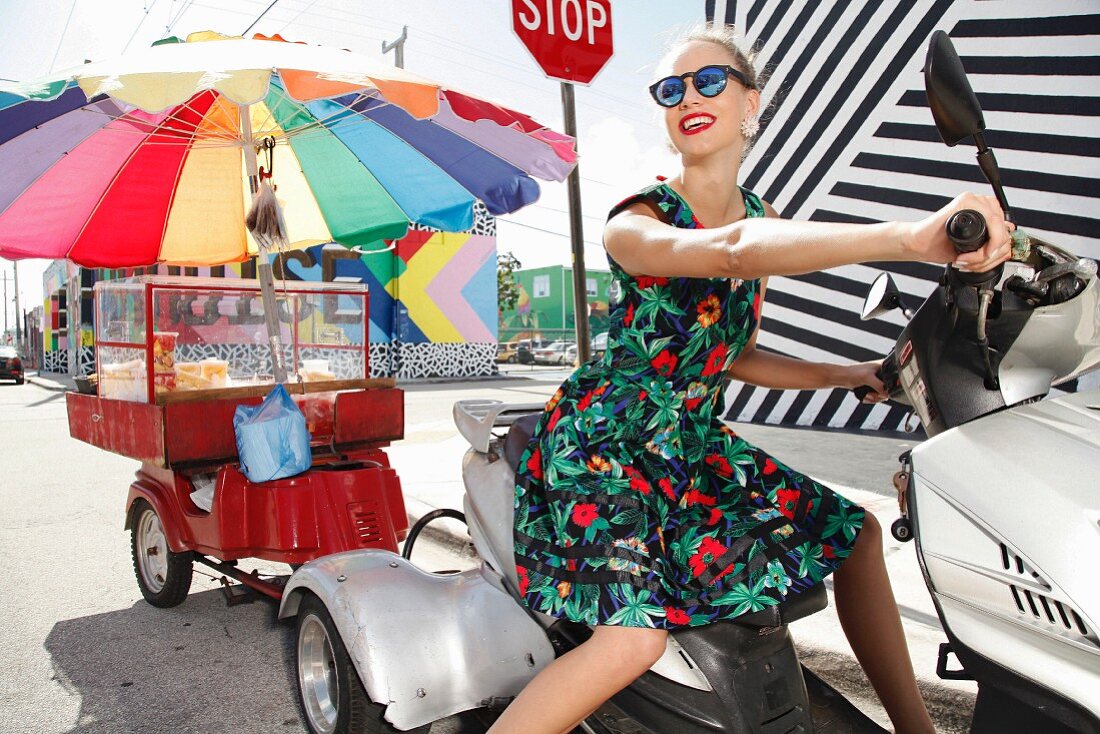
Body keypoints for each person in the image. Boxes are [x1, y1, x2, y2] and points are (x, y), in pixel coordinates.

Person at [493, 24, 1012, 734]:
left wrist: (847, 373)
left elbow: (732, 351)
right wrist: (911, 237)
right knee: (633, 638)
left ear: (751, 104)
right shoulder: (636, 219)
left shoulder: (759, 214)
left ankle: (914, 729)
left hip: (691, 441)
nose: (688, 99)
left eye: (710, 82)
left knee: (856, 534)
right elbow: (732, 255)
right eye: (670, 90)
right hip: (605, 440)